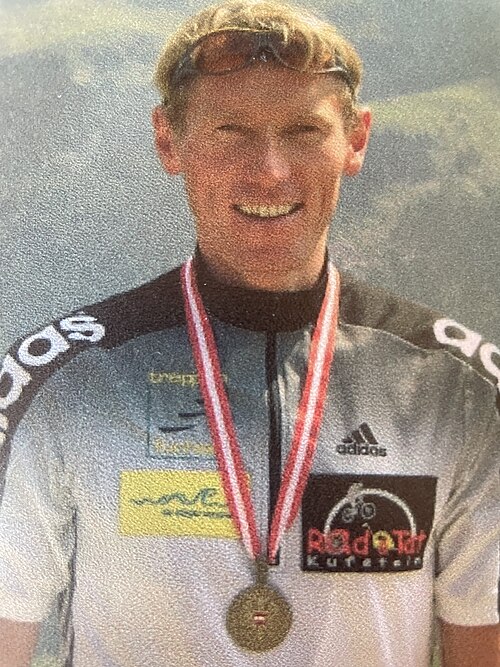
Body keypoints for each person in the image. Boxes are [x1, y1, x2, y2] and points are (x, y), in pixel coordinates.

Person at [0, 1, 498, 665]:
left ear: (356, 140)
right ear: (168, 139)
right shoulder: (59, 381)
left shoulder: (462, 391)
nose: (269, 170)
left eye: (303, 130)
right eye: (230, 131)